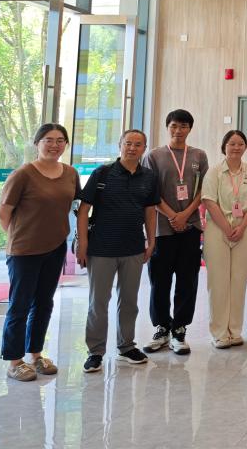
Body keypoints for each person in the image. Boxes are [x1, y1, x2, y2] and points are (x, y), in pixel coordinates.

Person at [0, 123, 80, 381]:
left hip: (55, 247)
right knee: (20, 305)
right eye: (48, 140)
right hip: (24, 250)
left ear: (65, 144)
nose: (54, 145)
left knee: (44, 303)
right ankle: (14, 361)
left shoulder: (70, 173)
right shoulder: (23, 174)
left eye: (60, 140)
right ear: (37, 143)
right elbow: (3, 212)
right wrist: (18, 238)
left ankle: (35, 355)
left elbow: (76, 205)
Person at [77, 129, 159, 373]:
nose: (132, 148)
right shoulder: (102, 173)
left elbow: (150, 211)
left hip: (133, 248)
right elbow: (84, 210)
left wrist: (151, 241)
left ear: (144, 149)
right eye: (128, 143)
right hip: (101, 248)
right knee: (98, 302)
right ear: (119, 145)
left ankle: (126, 346)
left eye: (138, 144)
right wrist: (83, 243)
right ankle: (95, 352)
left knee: (130, 301)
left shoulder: (149, 177)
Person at [141, 109, 208, 355]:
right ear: (167, 127)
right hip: (162, 229)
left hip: (190, 227)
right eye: (174, 126)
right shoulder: (154, 156)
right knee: (160, 280)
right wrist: (172, 216)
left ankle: (179, 329)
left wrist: (185, 215)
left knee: (187, 280)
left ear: (190, 129)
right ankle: (161, 328)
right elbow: (151, 192)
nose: (178, 131)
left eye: (183, 126)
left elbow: (202, 191)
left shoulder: (199, 155)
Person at [201, 129, 247, 348]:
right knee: (218, 283)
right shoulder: (214, 172)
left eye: (240, 143)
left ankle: (235, 330)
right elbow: (209, 201)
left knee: (239, 281)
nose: (236, 147)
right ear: (224, 147)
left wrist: (242, 227)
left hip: (243, 230)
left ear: (245, 147)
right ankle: (219, 333)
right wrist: (227, 228)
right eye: (232, 143)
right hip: (218, 229)